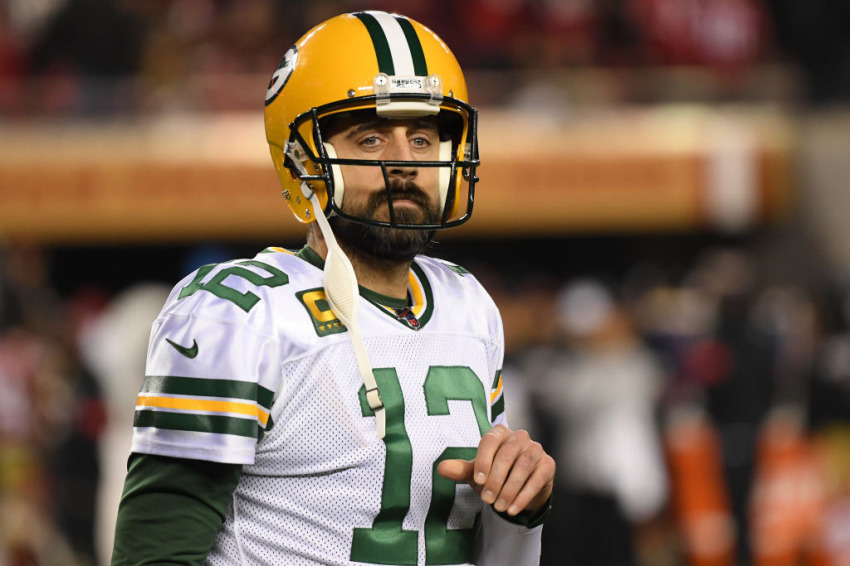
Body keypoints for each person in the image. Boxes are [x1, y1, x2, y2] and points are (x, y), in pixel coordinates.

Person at [110, 10, 555, 566]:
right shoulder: (237, 313)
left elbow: (475, 530)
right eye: (371, 138)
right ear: (302, 162)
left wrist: (520, 496)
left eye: (422, 137)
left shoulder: (469, 305)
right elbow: (156, 554)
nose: (405, 163)